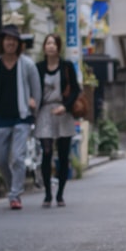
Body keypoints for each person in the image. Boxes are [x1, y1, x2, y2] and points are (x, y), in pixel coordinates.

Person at [0, 24, 41, 210]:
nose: (10, 43)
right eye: (7, 39)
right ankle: (13, 188)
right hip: (1, 117)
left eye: (14, 40)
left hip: (22, 117)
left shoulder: (27, 65)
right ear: (1, 42)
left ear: (19, 44)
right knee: (1, 160)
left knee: (18, 157)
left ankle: (15, 194)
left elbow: (36, 90)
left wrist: (34, 103)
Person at [34, 33, 81, 207]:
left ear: (58, 47)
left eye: (54, 43)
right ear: (44, 47)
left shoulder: (67, 66)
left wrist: (66, 107)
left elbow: (75, 90)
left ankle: (60, 193)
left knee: (63, 155)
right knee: (46, 152)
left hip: (63, 112)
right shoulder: (38, 67)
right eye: (48, 43)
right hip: (45, 112)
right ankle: (47, 193)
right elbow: (32, 88)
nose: (51, 46)